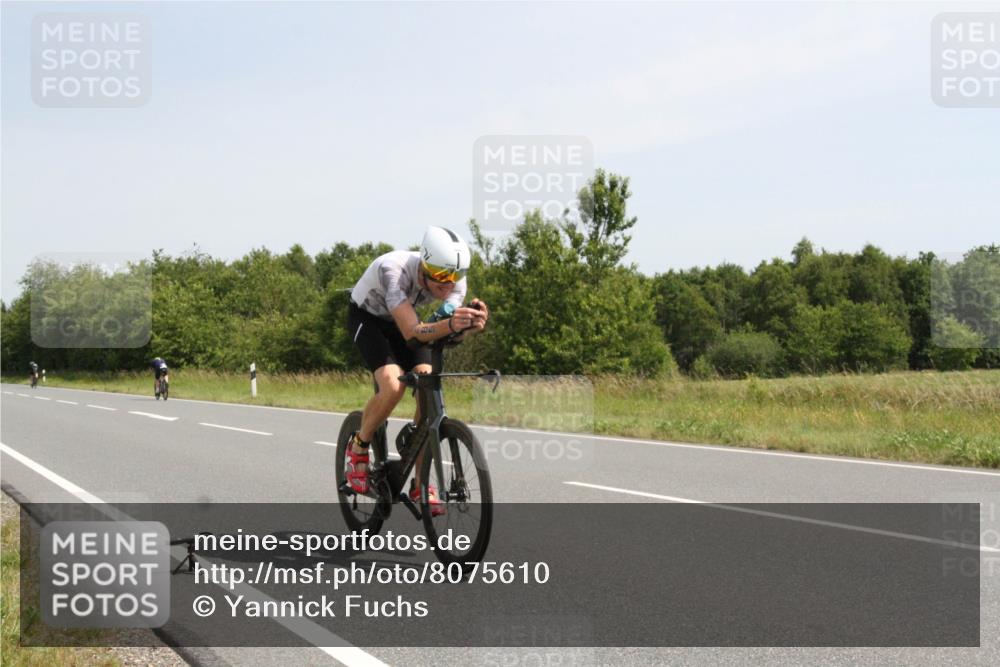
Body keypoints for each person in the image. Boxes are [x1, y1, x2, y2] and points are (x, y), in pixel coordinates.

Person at [346, 226, 489, 514]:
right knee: (393, 384)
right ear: (424, 265)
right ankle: (359, 447)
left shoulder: (454, 282)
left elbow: (440, 330)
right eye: (442, 276)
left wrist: (468, 327)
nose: (449, 285)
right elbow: (414, 332)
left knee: (428, 383)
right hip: (369, 319)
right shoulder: (393, 271)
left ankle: (421, 484)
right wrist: (450, 324)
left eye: (456, 276)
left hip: (406, 320)